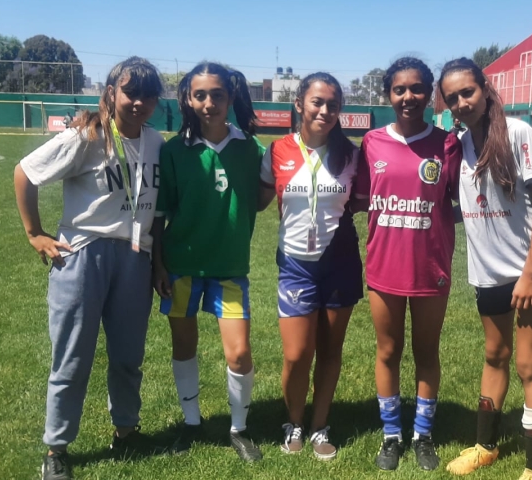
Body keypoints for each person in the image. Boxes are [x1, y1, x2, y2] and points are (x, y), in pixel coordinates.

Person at [14, 57, 165, 480]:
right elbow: (25, 173)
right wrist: (34, 233)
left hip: (136, 257)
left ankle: (126, 430)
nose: (139, 102)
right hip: (83, 254)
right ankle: (56, 448)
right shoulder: (88, 135)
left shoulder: (156, 143)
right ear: (112, 91)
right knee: (73, 357)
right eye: (130, 92)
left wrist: (157, 264)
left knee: (128, 357)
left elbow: (158, 211)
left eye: (148, 95)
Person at [438, 57, 532, 480]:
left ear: (485, 89)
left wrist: (529, 274)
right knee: (494, 355)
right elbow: (474, 206)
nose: (460, 103)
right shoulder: (460, 143)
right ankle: (485, 447)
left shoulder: (518, 133)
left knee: (529, 363)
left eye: (467, 92)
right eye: (451, 97)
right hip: (487, 274)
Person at [152, 62, 269, 462]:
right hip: (182, 266)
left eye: (217, 94)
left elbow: (265, 195)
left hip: (230, 269)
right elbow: (159, 215)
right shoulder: (173, 151)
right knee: (184, 345)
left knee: (238, 353)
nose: (208, 103)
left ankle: (239, 429)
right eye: (199, 95)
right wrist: (158, 265)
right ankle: (191, 423)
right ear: (187, 99)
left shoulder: (251, 149)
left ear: (230, 97)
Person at [352, 57, 462, 471]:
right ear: (388, 95)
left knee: (426, 352)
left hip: (431, 268)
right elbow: (362, 201)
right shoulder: (372, 143)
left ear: (430, 93)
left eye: (417, 88)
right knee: (388, 350)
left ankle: (423, 436)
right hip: (383, 268)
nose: (408, 97)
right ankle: (391, 436)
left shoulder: (447, 144)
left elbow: (459, 201)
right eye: (400, 89)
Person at [260, 72, 362, 460]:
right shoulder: (276, 151)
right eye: (317, 102)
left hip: (340, 262)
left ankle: (320, 426)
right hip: (295, 265)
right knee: (297, 353)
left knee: (330, 350)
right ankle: (294, 422)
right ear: (299, 103)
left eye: (333, 105)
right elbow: (257, 199)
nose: (325, 110)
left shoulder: (351, 155)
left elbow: (365, 201)